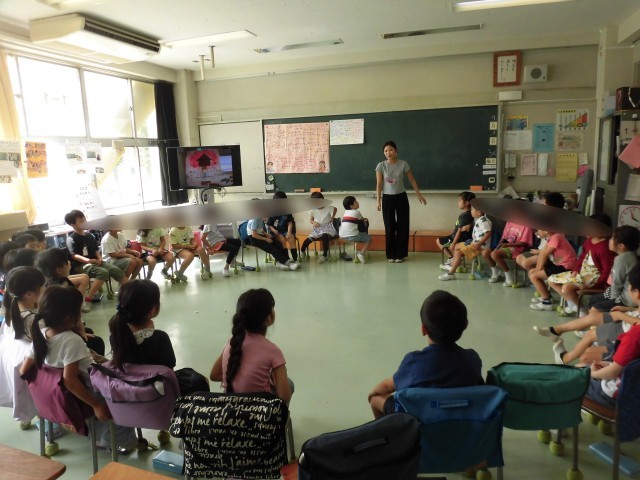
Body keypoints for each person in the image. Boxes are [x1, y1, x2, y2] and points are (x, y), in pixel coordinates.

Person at [20, 285, 136, 452]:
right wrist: (96, 405)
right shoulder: (71, 340)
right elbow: (70, 380)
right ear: (70, 316)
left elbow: (24, 371)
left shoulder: (42, 334)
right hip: (88, 390)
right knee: (124, 394)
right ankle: (112, 442)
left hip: (55, 398)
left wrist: (47, 385)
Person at [368, 290, 483, 419]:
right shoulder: (472, 359)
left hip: (419, 423)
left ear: (423, 329)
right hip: (460, 421)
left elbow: (387, 386)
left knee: (375, 398)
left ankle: (384, 428)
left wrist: (372, 392)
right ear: (465, 324)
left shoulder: (414, 362)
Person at [533, 226, 640, 342]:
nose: (609, 240)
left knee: (595, 308)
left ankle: (595, 333)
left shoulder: (622, 260)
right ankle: (568, 329)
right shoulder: (628, 257)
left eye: (612, 238)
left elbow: (617, 283)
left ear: (621, 246)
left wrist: (612, 299)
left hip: (623, 298)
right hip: (622, 294)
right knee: (592, 301)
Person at [209, 288, 292, 404]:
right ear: (269, 318)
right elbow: (284, 397)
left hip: (230, 406)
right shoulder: (273, 351)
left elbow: (214, 375)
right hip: (258, 410)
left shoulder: (233, 342)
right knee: (289, 384)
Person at [583, 264, 640, 408]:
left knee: (575, 377)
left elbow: (614, 372)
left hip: (620, 394)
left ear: (637, 293)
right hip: (631, 383)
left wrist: (593, 374)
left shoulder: (634, 334)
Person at [0, 267, 45, 428]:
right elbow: (49, 343)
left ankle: (27, 418)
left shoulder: (9, 311)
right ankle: (46, 418)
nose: (44, 289)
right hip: (33, 366)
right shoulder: (33, 320)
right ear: (29, 294)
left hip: (13, 360)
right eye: (42, 287)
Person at [547, 214, 615, 315]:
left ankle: (582, 310)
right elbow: (582, 257)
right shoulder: (588, 241)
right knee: (551, 280)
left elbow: (607, 270)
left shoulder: (605, 247)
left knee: (567, 288)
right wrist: (575, 270)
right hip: (582, 274)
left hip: (594, 278)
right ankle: (574, 305)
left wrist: (599, 285)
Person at [375, 140, 427, 263]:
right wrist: (378, 201)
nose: (388, 153)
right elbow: (379, 184)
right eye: (385, 151)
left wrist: (419, 195)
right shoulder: (381, 166)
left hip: (401, 197)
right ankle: (391, 254)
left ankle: (400, 254)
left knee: (403, 225)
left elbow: (412, 180)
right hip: (387, 198)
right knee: (389, 226)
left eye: (390, 150)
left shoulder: (403, 164)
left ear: (396, 151)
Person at [109, 280, 176, 370]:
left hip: (127, 379)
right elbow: (168, 371)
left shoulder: (116, 334)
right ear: (152, 309)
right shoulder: (160, 339)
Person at [64, 209, 127, 302]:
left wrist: (99, 258)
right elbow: (74, 256)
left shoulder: (89, 235)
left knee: (116, 270)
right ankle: (88, 298)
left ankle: (127, 293)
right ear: (72, 224)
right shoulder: (71, 239)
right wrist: (89, 261)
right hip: (82, 265)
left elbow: (96, 249)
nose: (85, 222)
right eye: (81, 221)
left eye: (84, 219)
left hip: (96, 261)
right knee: (103, 272)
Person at [528, 227, 579, 311]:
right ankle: (546, 297)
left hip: (566, 266)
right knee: (533, 273)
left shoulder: (556, 236)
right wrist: (537, 268)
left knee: (534, 276)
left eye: (539, 230)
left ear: (546, 230)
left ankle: (546, 302)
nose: (537, 232)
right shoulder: (550, 238)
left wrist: (538, 269)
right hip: (559, 264)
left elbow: (545, 255)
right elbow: (542, 253)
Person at [515, 192, 566, 273]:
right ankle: (536, 274)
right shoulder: (546, 217)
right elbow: (539, 234)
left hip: (551, 253)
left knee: (526, 263)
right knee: (519, 258)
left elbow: (546, 237)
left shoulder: (559, 220)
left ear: (551, 206)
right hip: (542, 249)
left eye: (544, 204)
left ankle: (539, 274)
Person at [438, 204, 492, 281]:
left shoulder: (484, 221)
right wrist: (469, 225)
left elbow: (488, 233)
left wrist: (479, 243)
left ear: (479, 212)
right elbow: (474, 224)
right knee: (457, 247)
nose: (471, 211)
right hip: (474, 243)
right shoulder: (479, 219)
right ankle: (453, 266)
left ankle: (451, 271)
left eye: (472, 210)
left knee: (458, 251)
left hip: (479, 246)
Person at [34, 247, 92, 313]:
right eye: (66, 262)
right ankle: (78, 306)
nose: (69, 262)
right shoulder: (63, 284)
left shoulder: (47, 284)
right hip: (65, 315)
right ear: (59, 270)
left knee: (84, 277)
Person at [484, 215, 533, 287]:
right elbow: (504, 237)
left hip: (517, 249)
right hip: (507, 246)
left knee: (494, 254)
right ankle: (496, 272)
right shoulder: (510, 222)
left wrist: (507, 244)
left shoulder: (526, 225)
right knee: (486, 253)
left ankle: (509, 275)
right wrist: (498, 246)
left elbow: (524, 243)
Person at [438, 191, 475, 270]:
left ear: (467, 203)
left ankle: (452, 259)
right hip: (457, 237)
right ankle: (453, 259)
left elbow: (459, 231)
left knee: (438, 241)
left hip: (459, 239)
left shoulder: (465, 216)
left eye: (459, 201)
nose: (458, 202)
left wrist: (453, 243)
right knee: (441, 240)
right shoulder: (470, 213)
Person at [300, 192, 337, 263]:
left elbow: (335, 209)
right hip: (317, 229)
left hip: (327, 227)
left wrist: (332, 217)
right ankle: (302, 251)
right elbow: (311, 220)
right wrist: (313, 222)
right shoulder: (313, 210)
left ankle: (324, 255)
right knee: (308, 240)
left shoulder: (328, 208)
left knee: (325, 235)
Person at [267, 191, 298, 264]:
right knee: (282, 239)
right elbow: (269, 225)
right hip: (276, 231)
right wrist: (274, 230)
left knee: (291, 238)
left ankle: (295, 259)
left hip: (286, 230)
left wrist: (289, 232)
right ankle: (287, 259)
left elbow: (290, 223)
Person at [338, 195, 371, 264]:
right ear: (351, 206)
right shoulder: (357, 212)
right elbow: (362, 219)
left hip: (341, 236)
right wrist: (366, 218)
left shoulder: (345, 212)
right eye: (355, 202)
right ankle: (361, 253)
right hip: (353, 236)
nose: (358, 202)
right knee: (369, 239)